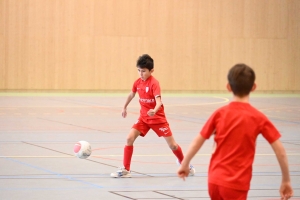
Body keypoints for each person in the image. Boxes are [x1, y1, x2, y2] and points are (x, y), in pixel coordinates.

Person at [177, 64, 293, 200]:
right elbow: (281, 151)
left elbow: (198, 140)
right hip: (236, 184)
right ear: (254, 87)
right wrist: (286, 180)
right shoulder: (258, 117)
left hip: (214, 181)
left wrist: (185, 163)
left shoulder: (219, 114)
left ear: (228, 87)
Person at [111, 54, 195, 178]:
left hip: (157, 119)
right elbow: (131, 95)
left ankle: (185, 164)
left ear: (151, 71)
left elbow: (159, 101)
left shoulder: (154, 83)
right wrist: (124, 107)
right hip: (143, 118)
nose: (140, 73)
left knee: (173, 145)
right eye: (139, 70)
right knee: (129, 138)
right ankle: (126, 169)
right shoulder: (137, 83)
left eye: (143, 71)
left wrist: (154, 111)